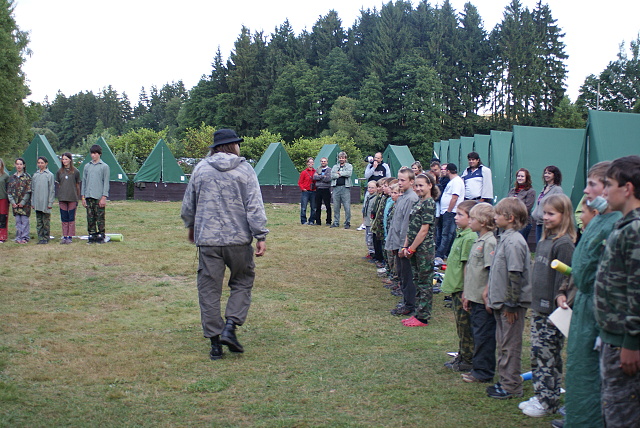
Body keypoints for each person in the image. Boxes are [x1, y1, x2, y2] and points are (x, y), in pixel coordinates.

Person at [181, 128, 269, 361]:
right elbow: (254, 205)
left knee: (208, 290)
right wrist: (260, 235)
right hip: (238, 240)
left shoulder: (201, 169)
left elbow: (189, 204)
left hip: (208, 241)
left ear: (215, 147)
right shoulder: (245, 169)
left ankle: (215, 344)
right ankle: (230, 326)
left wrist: (191, 227)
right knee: (242, 281)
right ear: (234, 145)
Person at [554, 162, 619, 428]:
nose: (585, 190)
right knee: (581, 371)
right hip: (585, 306)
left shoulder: (616, 225)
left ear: (611, 188)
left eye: (592, 184)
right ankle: (578, 416)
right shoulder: (599, 221)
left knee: (594, 375)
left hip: (599, 310)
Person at [593, 155, 640, 427]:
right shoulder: (625, 225)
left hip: (625, 342)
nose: (605, 191)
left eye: (609, 184)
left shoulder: (634, 230)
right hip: (614, 337)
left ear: (628, 188)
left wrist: (631, 343)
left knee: (622, 412)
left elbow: (637, 290)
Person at [520, 194, 575, 417]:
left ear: (564, 215)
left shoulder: (564, 244)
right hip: (539, 309)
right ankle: (541, 393)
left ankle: (548, 401)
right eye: (544, 213)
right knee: (537, 353)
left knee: (548, 356)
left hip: (553, 313)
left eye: (551, 214)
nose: (545, 217)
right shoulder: (544, 241)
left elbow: (565, 281)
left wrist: (557, 307)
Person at [485, 197, 532, 399]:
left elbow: (515, 275)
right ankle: (505, 380)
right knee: (503, 343)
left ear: (510, 218)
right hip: (502, 302)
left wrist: (512, 305)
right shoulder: (505, 238)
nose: (494, 217)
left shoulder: (514, 241)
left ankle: (511, 386)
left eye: (498, 214)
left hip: (510, 305)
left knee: (510, 345)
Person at [461, 203, 497, 384]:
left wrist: (486, 293)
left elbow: (492, 270)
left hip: (483, 300)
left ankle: (483, 371)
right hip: (474, 296)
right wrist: (467, 294)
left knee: (484, 336)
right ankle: (477, 367)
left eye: (473, 218)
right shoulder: (478, 240)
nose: (470, 221)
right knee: (477, 333)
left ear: (482, 222)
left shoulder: (490, 242)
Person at [441, 200, 478, 371]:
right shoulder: (462, 234)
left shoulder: (470, 238)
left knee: (465, 326)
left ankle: (468, 359)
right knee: (460, 325)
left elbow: (467, 266)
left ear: (471, 218)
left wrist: (466, 291)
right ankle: (462, 354)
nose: (455, 217)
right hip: (456, 287)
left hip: (462, 289)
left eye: (460, 214)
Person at [401, 173, 439, 327]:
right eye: (416, 185)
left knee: (424, 282)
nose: (418, 188)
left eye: (421, 185)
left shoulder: (429, 203)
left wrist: (412, 248)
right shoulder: (419, 202)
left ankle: (423, 316)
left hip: (423, 249)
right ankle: (417, 313)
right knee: (417, 280)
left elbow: (424, 230)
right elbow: (411, 227)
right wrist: (405, 246)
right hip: (414, 247)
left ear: (430, 185)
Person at [386, 167, 419, 316]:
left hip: (404, 245)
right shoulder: (403, 197)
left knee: (407, 275)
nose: (399, 183)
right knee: (402, 273)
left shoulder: (411, 199)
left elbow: (406, 226)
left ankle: (409, 305)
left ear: (411, 181)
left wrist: (402, 246)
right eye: (398, 179)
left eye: (402, 180)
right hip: (397, 241)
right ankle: (406, 301)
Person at [436, 163, 465, 263]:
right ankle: (447, 253)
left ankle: (440, 255)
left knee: (447, 234)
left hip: (451, 212)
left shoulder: (456, 181)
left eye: (445, 170)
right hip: (447, 211)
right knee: (447, 234)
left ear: (448, 171)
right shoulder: (453, 181)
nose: (443, 171)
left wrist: (448, 211)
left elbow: (454, 197)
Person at [81, 145, 110, 244]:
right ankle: (92, 235)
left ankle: (101, 235)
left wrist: (104, 197)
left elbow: (106, 183)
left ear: (99, 154)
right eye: (92, 153)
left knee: (100, 217)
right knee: (90, 217)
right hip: (88, 196)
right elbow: (84, 182)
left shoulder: (104, 166)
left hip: (98, 196)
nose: (93, 155)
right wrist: (83, 196)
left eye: (95, 153)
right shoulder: (87, 166)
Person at [531, 165, 564, 243]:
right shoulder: (544, 188)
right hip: (539, 224)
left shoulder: (557, 189)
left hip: (548, 224)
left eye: (549, 173)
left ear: (555, 175)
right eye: (545, 173)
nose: (546, 175)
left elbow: (559, 206)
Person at [56, 152, 81, 244]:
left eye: (66, 159)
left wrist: (77, 197)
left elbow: (77, 185)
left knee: (71, 218)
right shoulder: (59, 172)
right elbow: (59, 184)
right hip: (62, 198)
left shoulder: (76, 172)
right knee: (64, 218)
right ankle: (65, 236)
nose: (64, 161)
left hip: (72, 198)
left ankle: (70, 236)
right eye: (63, 159)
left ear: (70, 160)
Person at [31, 156, 56, 244]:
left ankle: (46, 237)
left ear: (46, 163)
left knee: (46, 222)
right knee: (39, 221)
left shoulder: (49, 175)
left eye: (42, 163)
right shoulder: (35, 175)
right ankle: (40, 237)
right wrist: (33, 201)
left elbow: (52, 190)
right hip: (37, 202)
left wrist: (50, 202)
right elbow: (33, 189)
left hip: (45, 202)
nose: (40, 164)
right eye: (39, 163)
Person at [507, 168, 536, 242]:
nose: (520, 178)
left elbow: (527, 207)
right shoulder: (512, 190)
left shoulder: (530, 191)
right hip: (511, 221)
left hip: (523, 222)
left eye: (522, 176)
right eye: (518, 176)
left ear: (527, 178)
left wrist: (514, 211)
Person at [7, 158, 31, 244]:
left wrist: (23, 202)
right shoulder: (12, 177)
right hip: (15, 204)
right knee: (17, 221)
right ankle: (18, 237)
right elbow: (9, 191)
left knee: (24, 221)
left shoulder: (27, 177)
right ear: (15, 165)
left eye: (21, 164)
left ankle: (25, 237)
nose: (19, 166)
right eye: (17, 164)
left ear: (23, 165)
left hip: (25, 204)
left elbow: (29, 191)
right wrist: (13, 202)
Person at [331, 152, 353, 229]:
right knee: (336, 206)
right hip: (336, 188)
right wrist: (340, 174)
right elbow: (332, 175)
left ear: (345, 158)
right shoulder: (335, 166)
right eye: (340, 158)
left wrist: (339, 173)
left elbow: (349, 173)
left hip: (345, 188)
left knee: (347, 206)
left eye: (343, 158)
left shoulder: (349, 166)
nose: (341, 159)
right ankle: (336, 222)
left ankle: (347, 222)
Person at [313, 157, 332, 226]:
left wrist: (319, 176)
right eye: (322, 161)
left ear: (327, 162)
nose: (323, 162)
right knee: (318, 206)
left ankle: (328, 221)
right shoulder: (318, 169)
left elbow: (328, 179)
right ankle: (318, 221)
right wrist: (323, 176)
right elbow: (314, 177)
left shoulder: (329, 170)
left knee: (328, 206)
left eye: (324, 161)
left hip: (326, 189)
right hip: (318, 189)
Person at [362, 180, 378, 259]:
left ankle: (373, 253)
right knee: (367, 237)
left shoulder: (376, 198)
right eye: (369, 187)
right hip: (367, 220)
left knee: (370, 238)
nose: (370, 189)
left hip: (372, 222)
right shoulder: (368, 197)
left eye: (372, 187)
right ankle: (370, 251)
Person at [298, 157, 316, 225]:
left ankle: (311, 220)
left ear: (313, 163)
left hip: (313, 191)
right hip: (306, 191)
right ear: (307, 163)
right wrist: (303, 189)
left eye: (312, 162)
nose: (310, 163)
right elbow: (300, 182)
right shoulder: (304, 172)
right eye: (309, 162)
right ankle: (303, 220)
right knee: (303, 207)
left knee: (313, 207)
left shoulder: (315, 172)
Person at [0, 159, 9, 243]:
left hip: (3, 198)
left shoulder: (5, 176)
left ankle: (3, 236)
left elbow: (8, 188)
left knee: (3, 217)